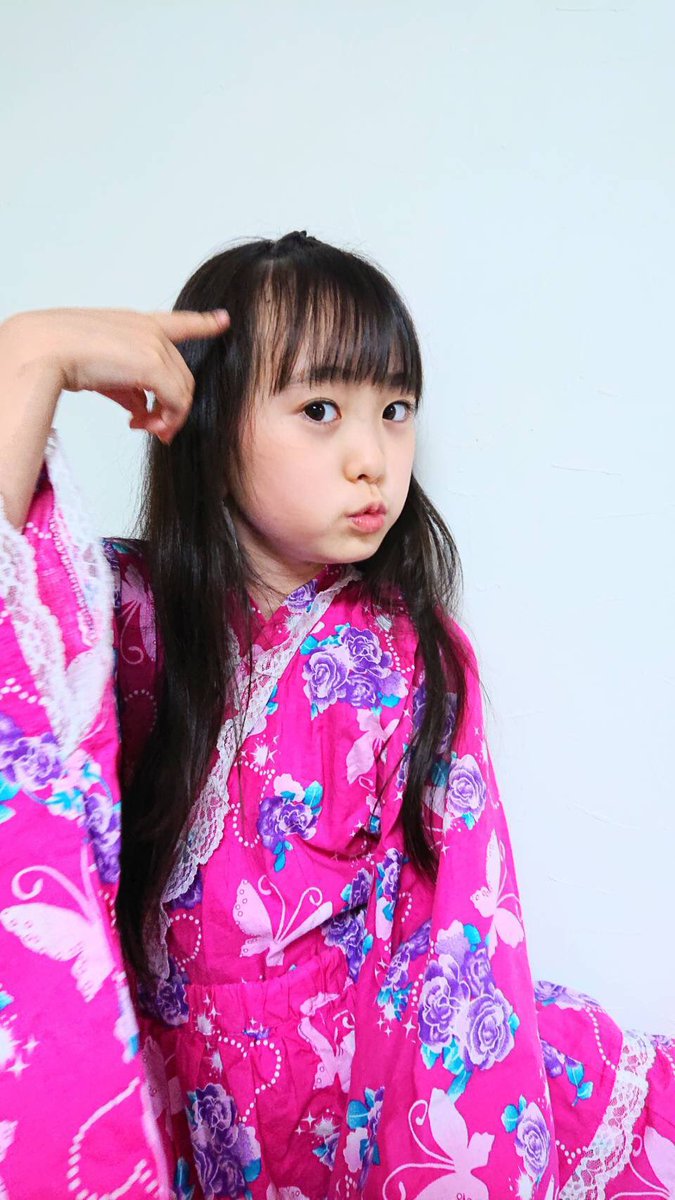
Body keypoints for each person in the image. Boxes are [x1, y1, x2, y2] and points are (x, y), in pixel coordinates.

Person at [0, 231, 673, 1200]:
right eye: (321, 410)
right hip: (185, 1112)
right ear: (208, 422)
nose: (372, 459)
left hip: (373, 1102)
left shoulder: (406, 652)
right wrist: (30, 357)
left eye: (394, 410)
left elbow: (458, 935)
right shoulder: (121, 618)